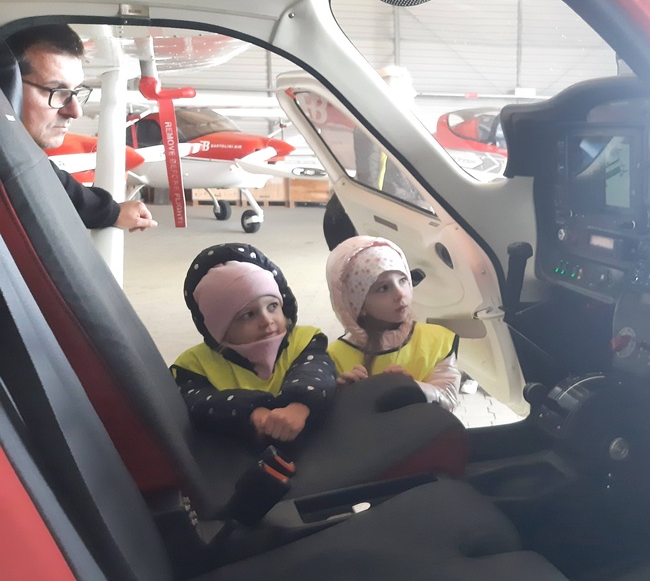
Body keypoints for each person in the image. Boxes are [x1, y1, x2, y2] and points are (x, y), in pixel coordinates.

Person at [171, 242, 336, 449]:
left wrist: (300, 405)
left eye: (272, 306)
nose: (267, 320)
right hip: (236, 455)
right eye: (248, 315)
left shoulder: (305, 340)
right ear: (219, 328)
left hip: (314, 445)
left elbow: (315, 372)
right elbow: (197, 402)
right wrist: (252, 412)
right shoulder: (194, 365)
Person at [6, 24, 156, 231]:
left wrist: (110, 211)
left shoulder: (13, 156)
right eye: (56, 90)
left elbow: (45, 177)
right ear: (6, 87)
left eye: (75, 91)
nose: (75, 112)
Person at [326, 235, 459, 411]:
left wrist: (412, 388)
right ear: (358, 304)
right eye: (383, 288)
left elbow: (448, 399)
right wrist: (346, 394)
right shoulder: (334, 356)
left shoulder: (437, 340)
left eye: (402, 280)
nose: (400, 294)